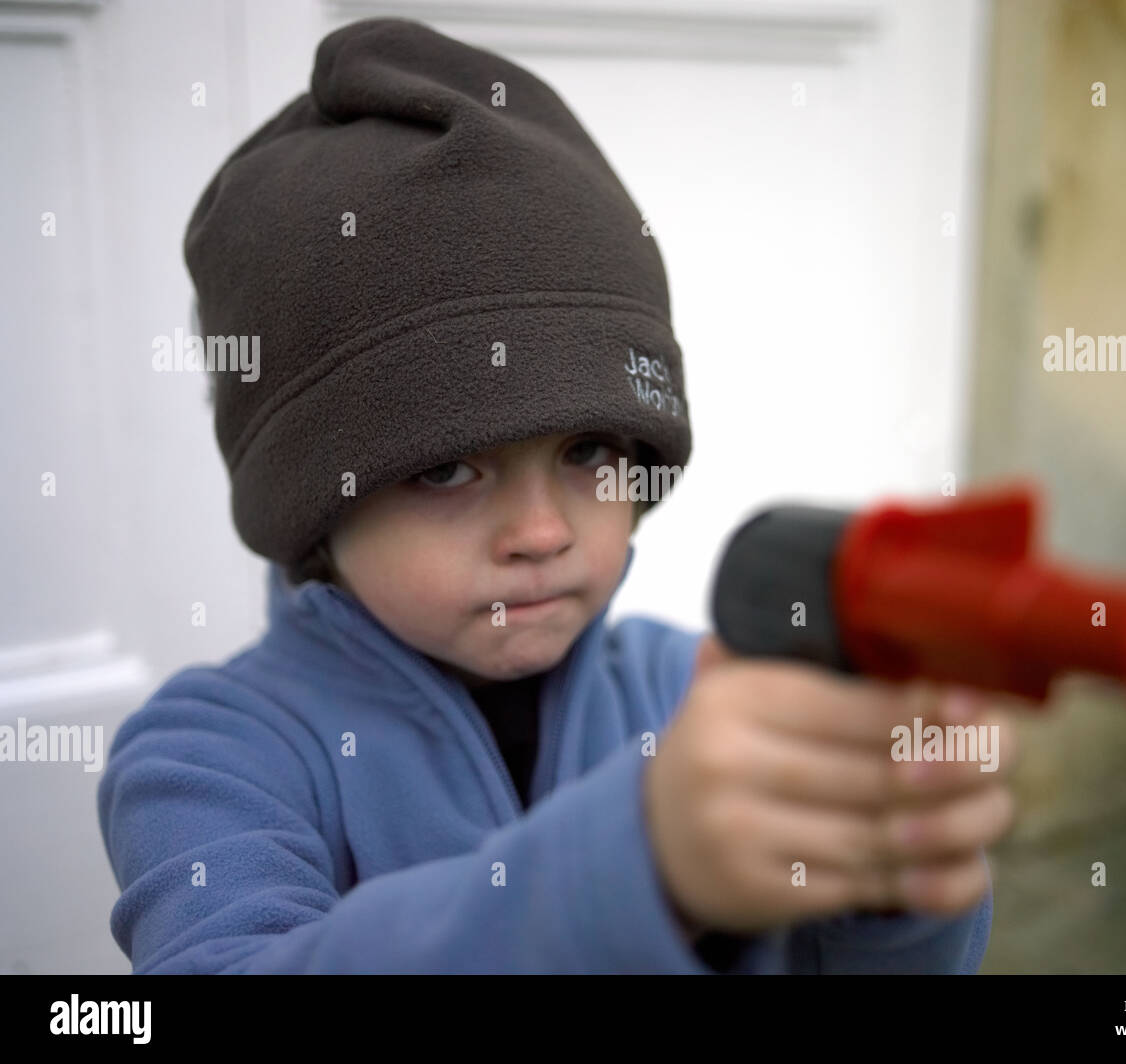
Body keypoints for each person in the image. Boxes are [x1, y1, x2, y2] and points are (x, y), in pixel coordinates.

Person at [97, 16, 1017, 974]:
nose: (541, 532)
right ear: (311, 507)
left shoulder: (689, 694)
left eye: (587, 451)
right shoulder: (207, 756)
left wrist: (882, 878)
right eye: (446, 467)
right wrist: (634, 873)